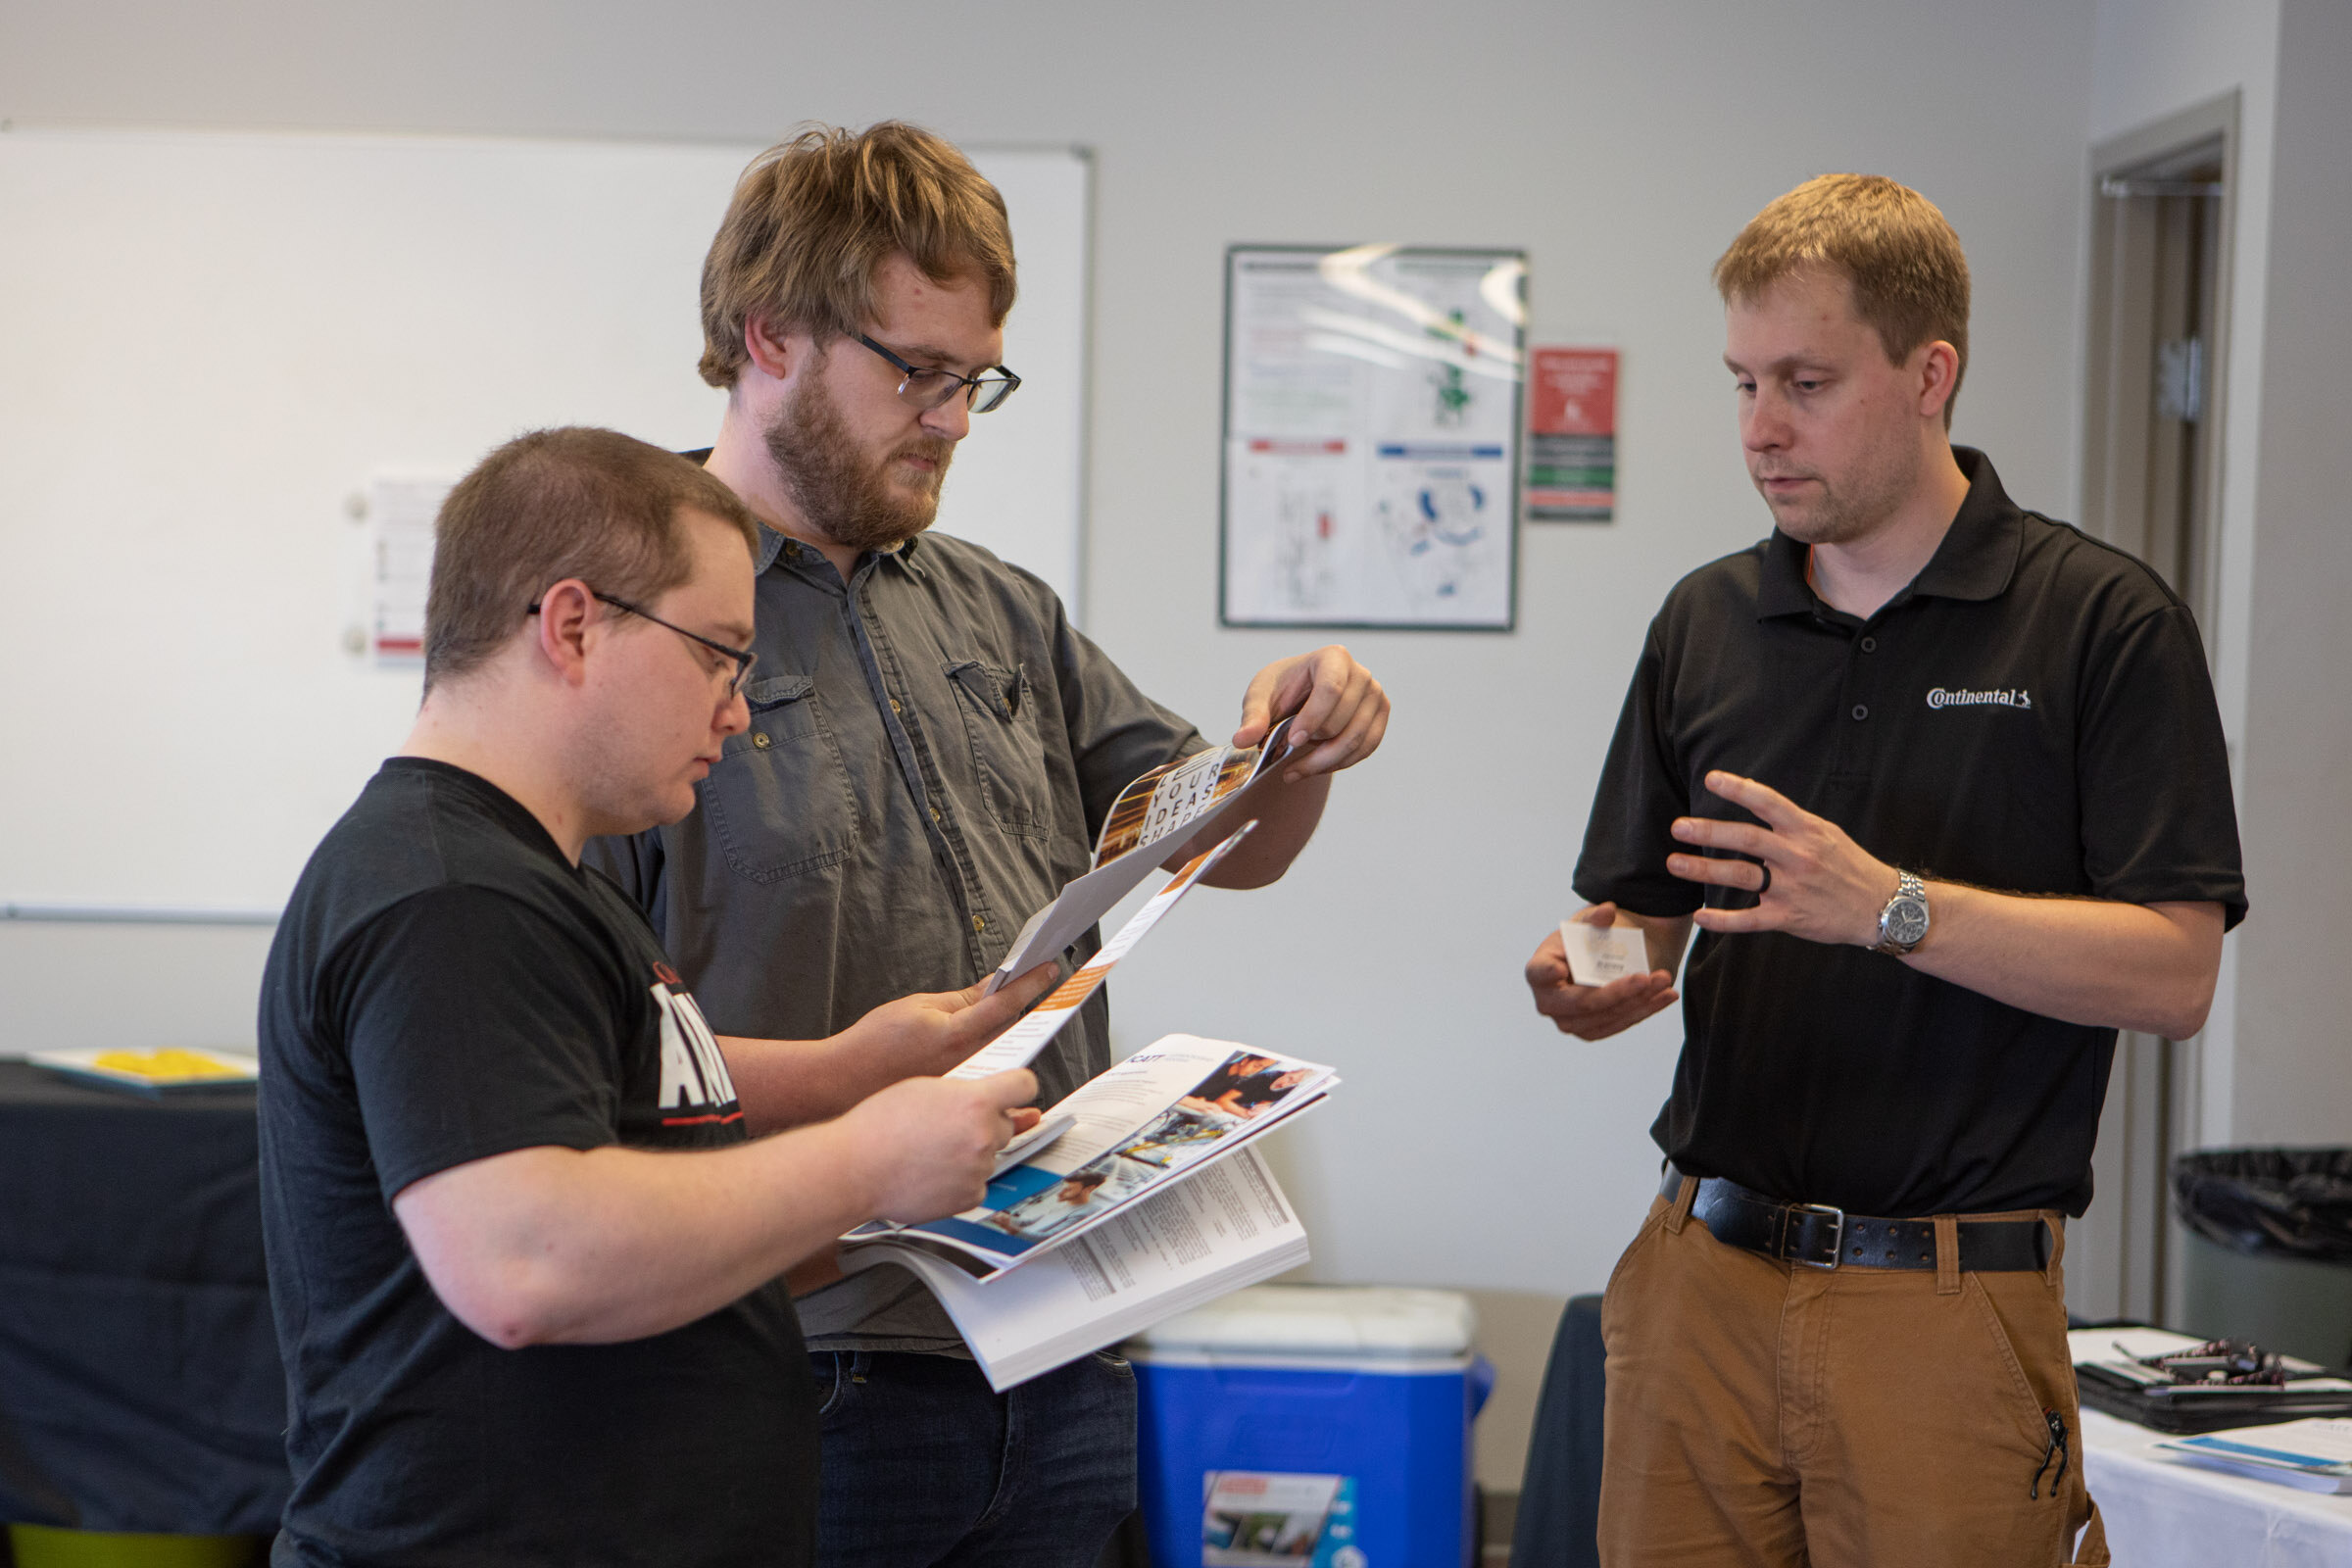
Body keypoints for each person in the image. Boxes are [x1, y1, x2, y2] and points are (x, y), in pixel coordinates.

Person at [583, 120, 1391, 1568]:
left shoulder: (997, 609)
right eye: (918, 373)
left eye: (977, 381)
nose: (954, 420)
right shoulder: (628, 615)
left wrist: (1300, 744)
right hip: (792, 1361)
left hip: (1055, 1346)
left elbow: (1223, 846)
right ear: (771, 336)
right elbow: (573, 1038)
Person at [1523, 174, 2244, 1568]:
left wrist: (1892, 910)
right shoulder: (1707, 622)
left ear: (1931, 374)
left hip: (1947, 1309)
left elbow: (2177, 973)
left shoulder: (2101, 625)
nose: (1761, 430)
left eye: (1806, 381)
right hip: (1699, 1285)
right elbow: (1649, 920)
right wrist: (1591, 971)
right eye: (1741, 383)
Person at [258, 427, 1048, 1568]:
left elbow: (631, 1121)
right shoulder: (454, 896)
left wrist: (854, 1078)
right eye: (718, 653)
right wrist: (868, 1157)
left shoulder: (533, 881)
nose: (737, 708)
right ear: (573, 625)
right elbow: (527, 1258)